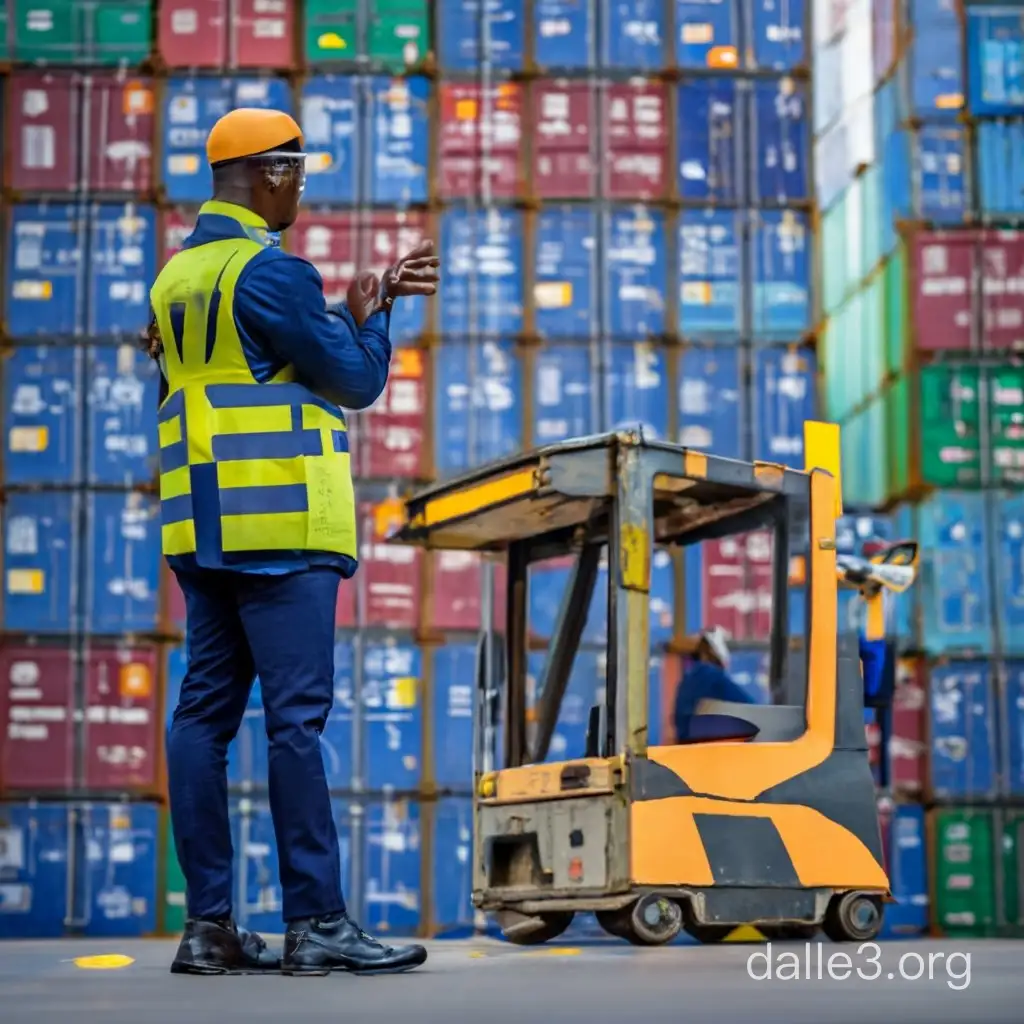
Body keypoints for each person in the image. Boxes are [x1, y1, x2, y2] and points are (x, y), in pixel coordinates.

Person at [147, 108, 439, 978]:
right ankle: (317, 922)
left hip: (197, 527)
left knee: (201, 718)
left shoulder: (175, 278)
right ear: (270, 174)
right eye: (299, 177)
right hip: (278, 529)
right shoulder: (272, 273)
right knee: (296, 724)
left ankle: (209, 928)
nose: (301, 194)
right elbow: (353, 379)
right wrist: (371, 314)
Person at [673, 627, 757, 742]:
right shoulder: (711, 675)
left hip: (684, 745)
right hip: (706, 747)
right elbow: (751, 708)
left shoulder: (687, 679)